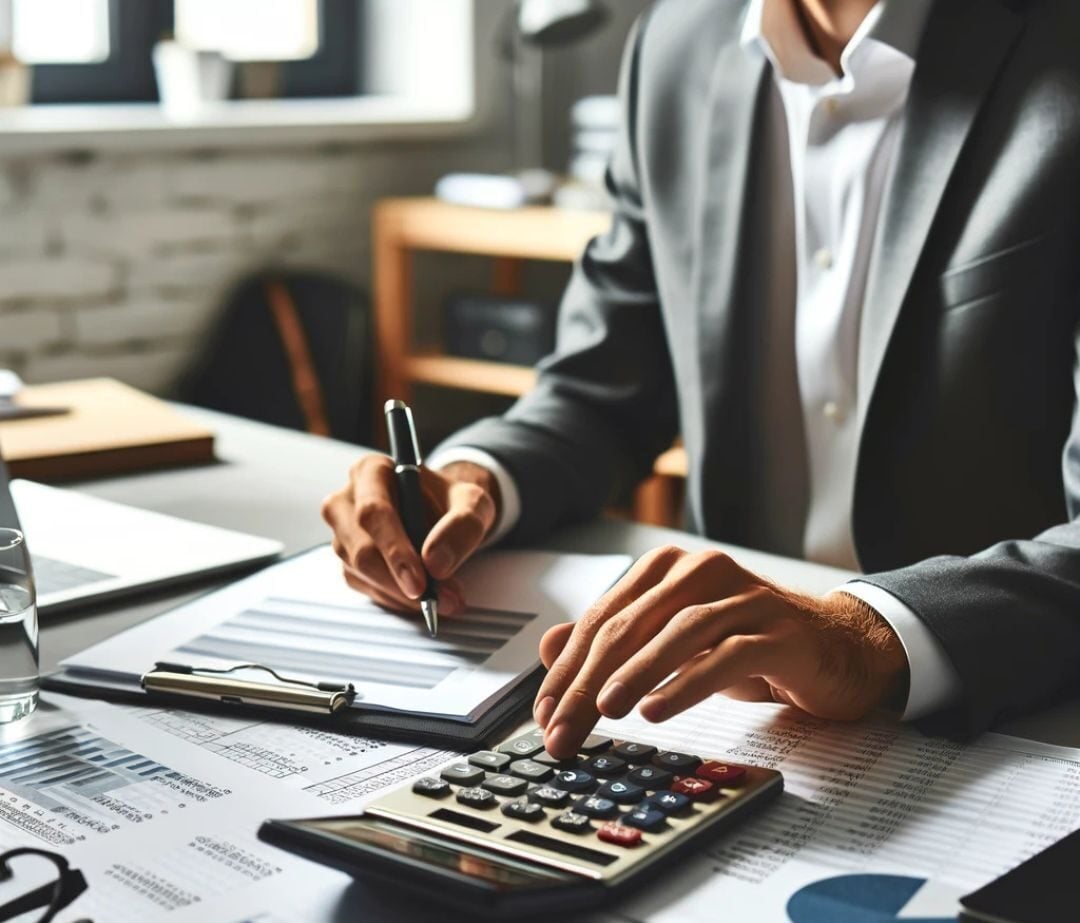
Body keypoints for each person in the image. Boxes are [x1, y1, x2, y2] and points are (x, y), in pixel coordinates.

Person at [322, 0, 1080, 758]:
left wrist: (870, 632)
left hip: (1012, 715)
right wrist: (475, 476)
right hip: (733, 714)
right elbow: (601, 386)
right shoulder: (674, 46)